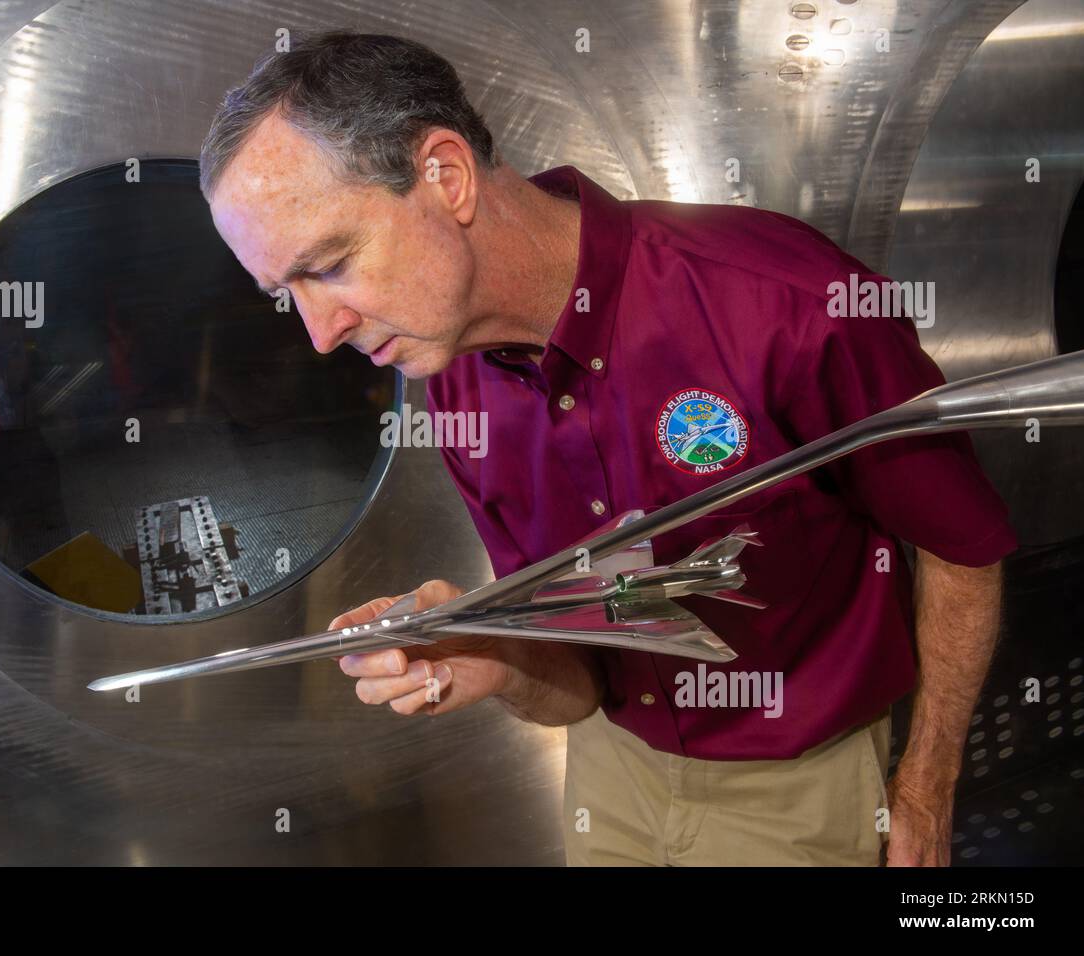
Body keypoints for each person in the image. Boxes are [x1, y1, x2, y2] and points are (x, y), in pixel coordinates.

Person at [198, 30, 1017, 866]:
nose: (320, 334)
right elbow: (579, 687)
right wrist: (498, 654)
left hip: (798, 791)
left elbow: (962, 549)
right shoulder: (455, 384)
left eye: (330, 264)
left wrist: (926, 783)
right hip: (610, 780)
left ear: (445, 175)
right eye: (284, 294)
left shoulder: (788, 305)